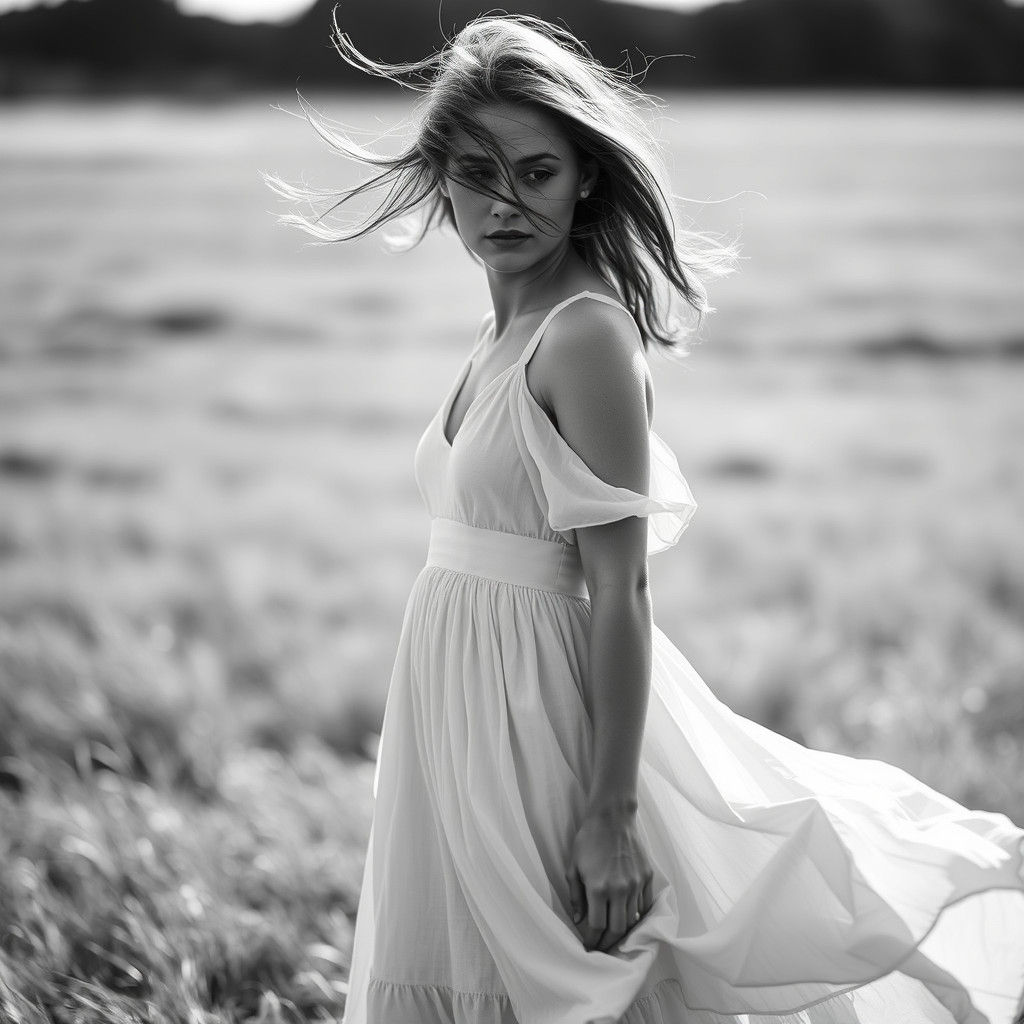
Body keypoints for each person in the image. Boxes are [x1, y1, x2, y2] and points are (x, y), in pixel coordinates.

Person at [263, 12, 1024, 1024]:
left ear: (585, 178)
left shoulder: (583, 337)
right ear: (439, 178)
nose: (505, 201)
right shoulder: (500, 332)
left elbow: (619, 584)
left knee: (574, 979)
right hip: (455, 704)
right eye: (478, 171)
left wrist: (609, 812)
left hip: (542, 713)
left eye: (536, 172)